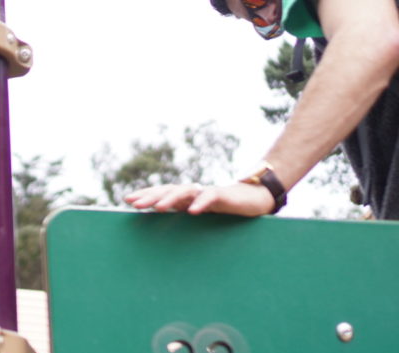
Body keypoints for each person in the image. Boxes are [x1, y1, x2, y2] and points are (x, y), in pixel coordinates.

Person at [126, 0, 399, 219]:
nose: (269, 17)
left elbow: (371, 38)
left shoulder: (356, 33)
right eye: (259, 22)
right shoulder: (333, 46)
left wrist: (264, 184)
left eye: (255, 1)